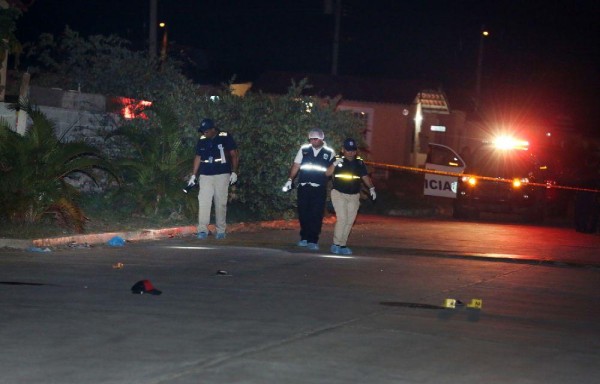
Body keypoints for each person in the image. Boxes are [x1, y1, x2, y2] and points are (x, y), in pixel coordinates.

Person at [282, 128, 335, 250]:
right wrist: (290, 179)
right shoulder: (304, 149)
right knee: (303, 212)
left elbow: (330, 172)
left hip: (319, 187)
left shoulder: (329, 152)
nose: (313, 141)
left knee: (316, 214)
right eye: (311, 139)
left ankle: (313, 240)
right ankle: (304, 238)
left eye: (315, 139)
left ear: (321, 139)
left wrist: (335, 166)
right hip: (304, 186)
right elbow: (296, 165)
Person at [187, 118, 239, 239]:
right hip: (205, 174)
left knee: (220, 202)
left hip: (222, 174)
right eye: (202, 131)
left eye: (206, 131)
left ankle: (221, 230)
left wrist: (234, 172)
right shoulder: (202, 140)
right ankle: (202, 230)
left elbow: (234, 154)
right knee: (203, 201)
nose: (204, 133)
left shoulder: (224, 137)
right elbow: (198, 157)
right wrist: (194, 175)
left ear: (213, 129)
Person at [327, 138, 376, 255]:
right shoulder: (337, 160)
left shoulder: (359, 163)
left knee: (350, 221)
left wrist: (372, 188)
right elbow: (327, 173)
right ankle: (336, 244)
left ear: (356, 151)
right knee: (342, 218)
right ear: (343, 150)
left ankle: (342, 245)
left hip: (354, 196)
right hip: (339, 193)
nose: (350, 153)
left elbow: (365, 177)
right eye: (348, 150)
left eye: (353, 150)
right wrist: (334, 164)